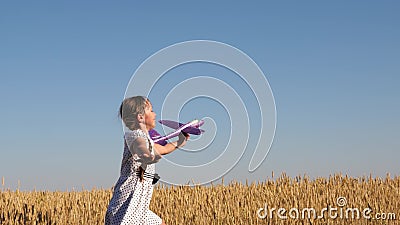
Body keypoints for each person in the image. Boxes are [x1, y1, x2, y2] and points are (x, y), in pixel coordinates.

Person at [105, 96, 189, 225]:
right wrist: (145, 152)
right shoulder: (134, 135)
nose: (155, 114)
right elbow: (140, 145)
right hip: (126, 207)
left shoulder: (146, 138)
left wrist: (180, 142)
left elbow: (163, 149)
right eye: (151, 110)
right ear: (140, 117)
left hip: (140, 209)